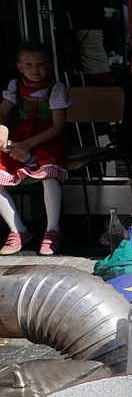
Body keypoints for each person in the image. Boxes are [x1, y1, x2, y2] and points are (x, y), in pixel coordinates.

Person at [0, 41, 70, 256]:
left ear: (49, 66)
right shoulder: (15, 87)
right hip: (21, 139)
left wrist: (27, 145)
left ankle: (52, 230)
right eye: (29, 64)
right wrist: (2, 131)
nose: (35, 69)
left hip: (46, 140)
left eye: (40, 64)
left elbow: (57, 127)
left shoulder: (55, 89)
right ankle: (18, 230)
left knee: (48, 174)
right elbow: (1, 114)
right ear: (20, 67)